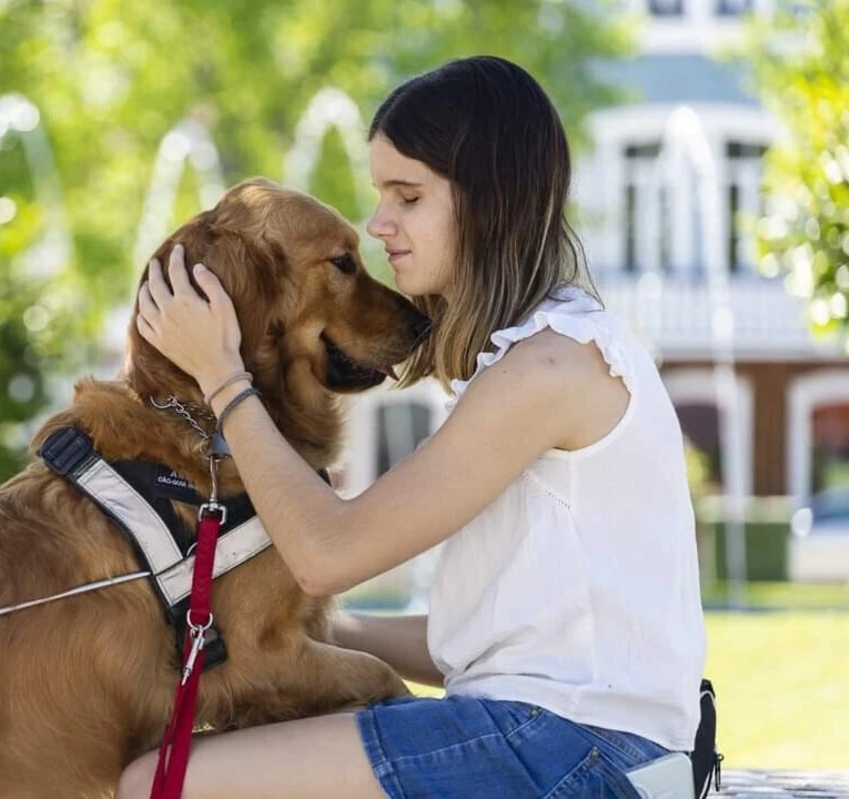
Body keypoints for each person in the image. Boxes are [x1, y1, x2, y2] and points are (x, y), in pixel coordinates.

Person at [119, 55, 706, 799]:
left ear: (490, 203)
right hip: (560, 740)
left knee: (156, 783)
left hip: (577, 751)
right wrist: (296, 634)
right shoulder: (536, 360)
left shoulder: (552, 368)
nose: (378, 224)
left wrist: (223, 376)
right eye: (381, 195)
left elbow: (326, 554)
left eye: (409, 195)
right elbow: (486, 637)